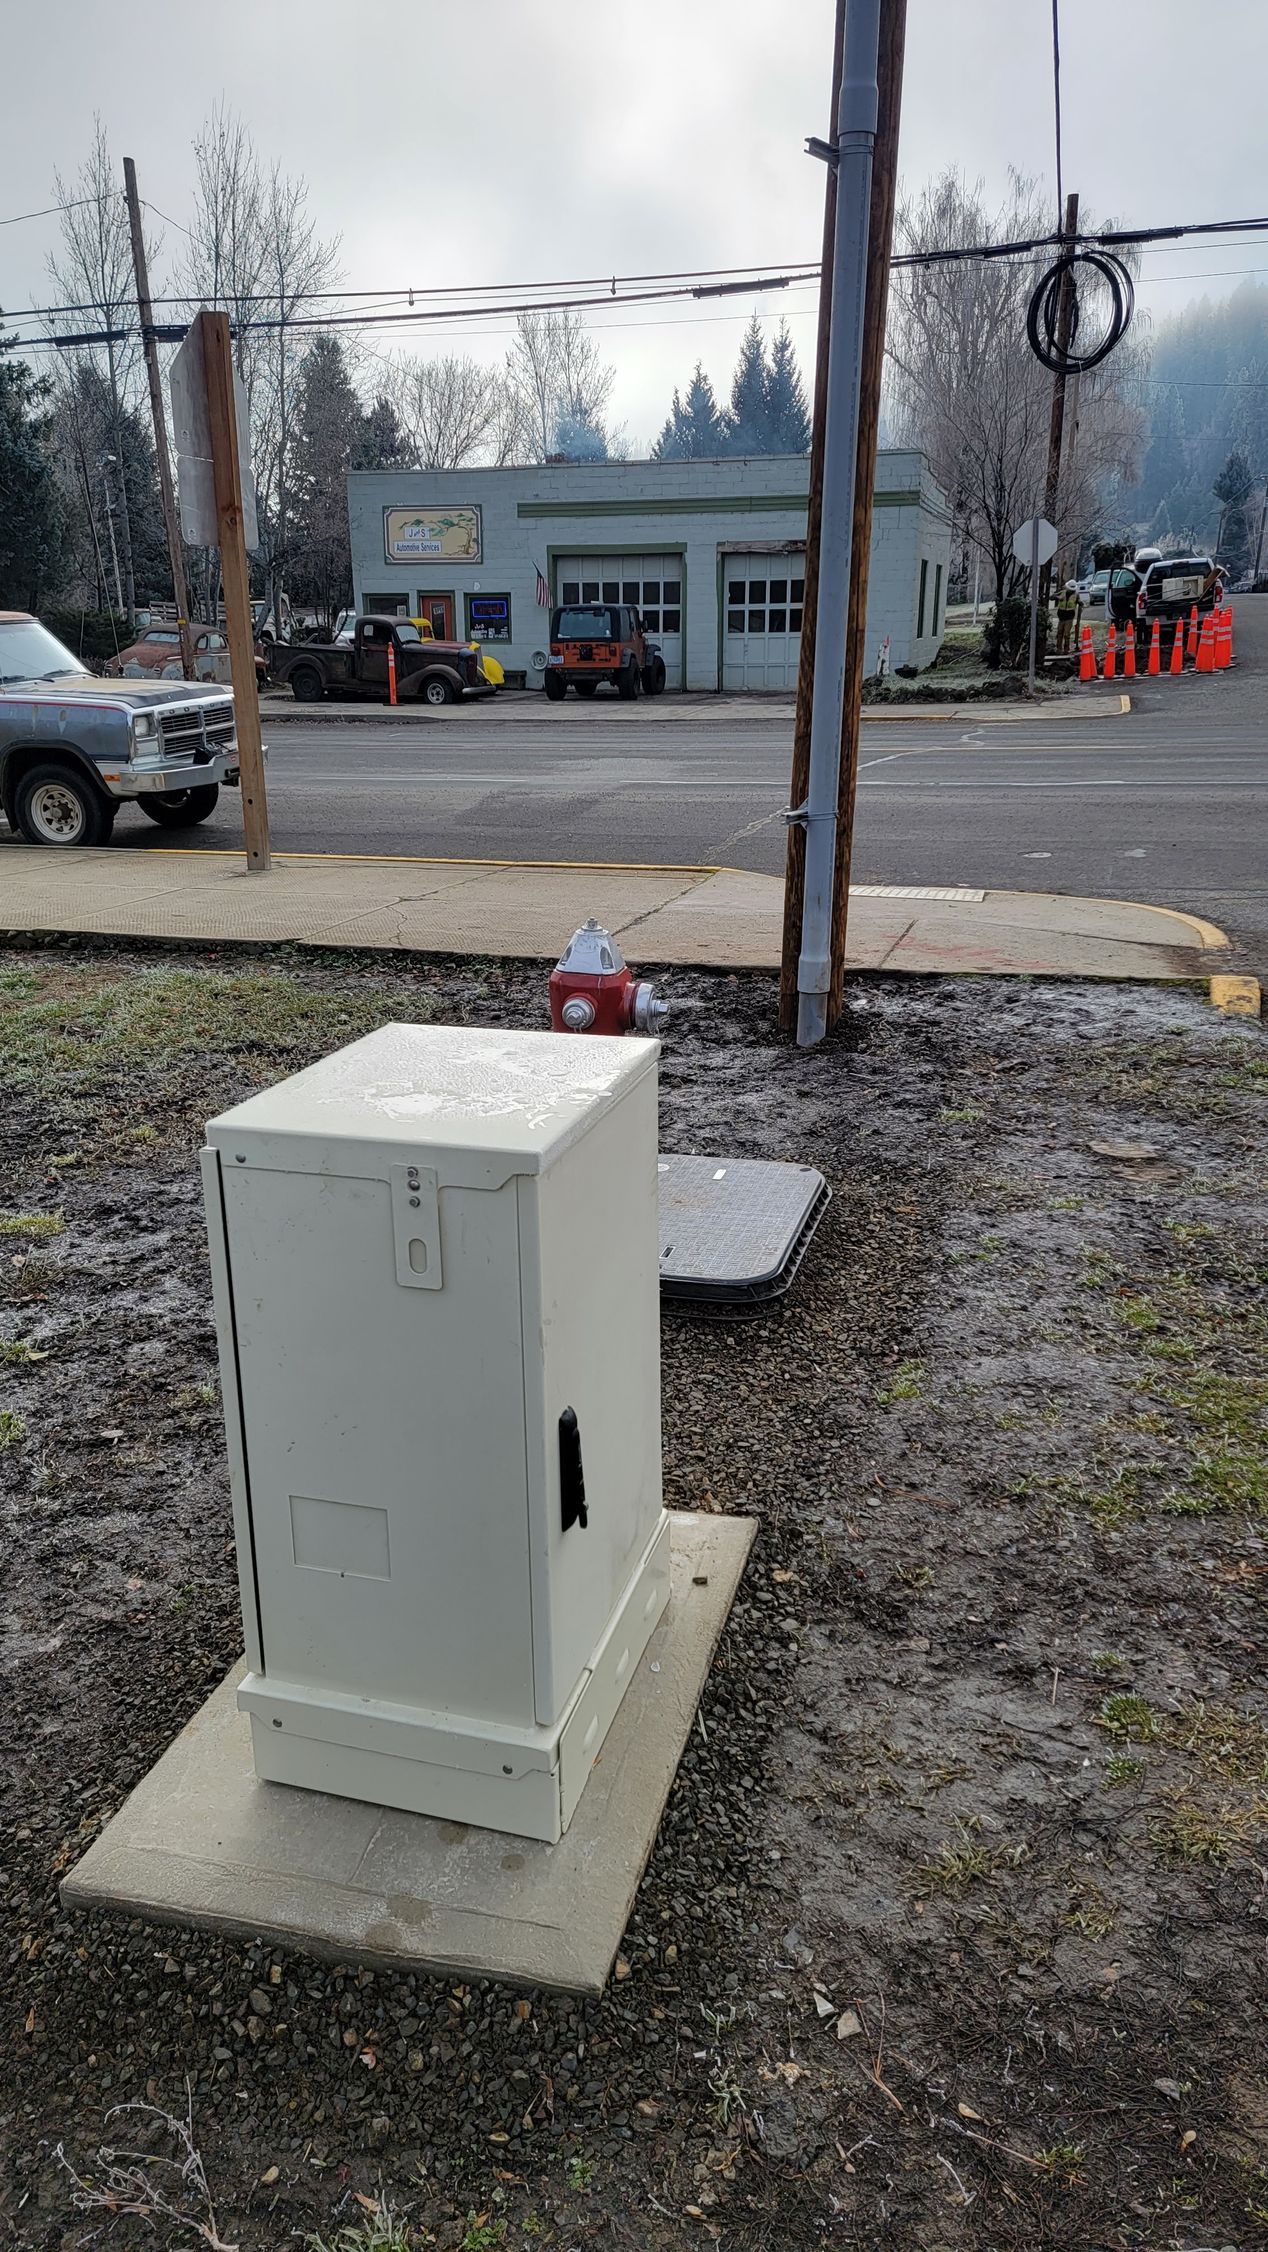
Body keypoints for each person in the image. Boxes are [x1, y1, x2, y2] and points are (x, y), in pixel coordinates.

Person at [1055, 581, 1079, 655]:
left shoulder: (1076, 595)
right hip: (1061, 616)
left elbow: (1080, 602)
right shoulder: (1062, 592)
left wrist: (1080, 603)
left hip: (1069, 617)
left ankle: (1066, 649)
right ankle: (1059, 649)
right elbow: (1053, 597)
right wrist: (1056, 597)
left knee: (1066, 634)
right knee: (1059, 632)